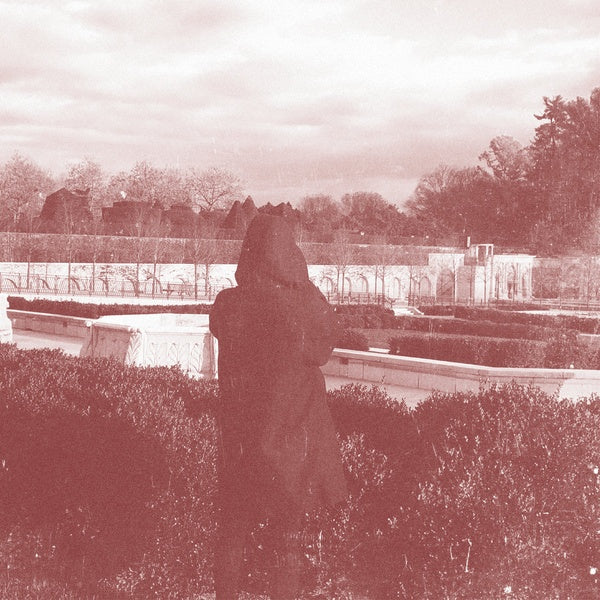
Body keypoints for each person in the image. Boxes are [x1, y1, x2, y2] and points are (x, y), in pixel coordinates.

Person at [209, 214, 347, 599]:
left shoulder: (229, 304)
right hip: (289, 443)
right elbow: (322, 346)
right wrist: (301, 280)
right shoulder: (298, 305)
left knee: (232, 532)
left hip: (240, 442)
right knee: (286, 541)